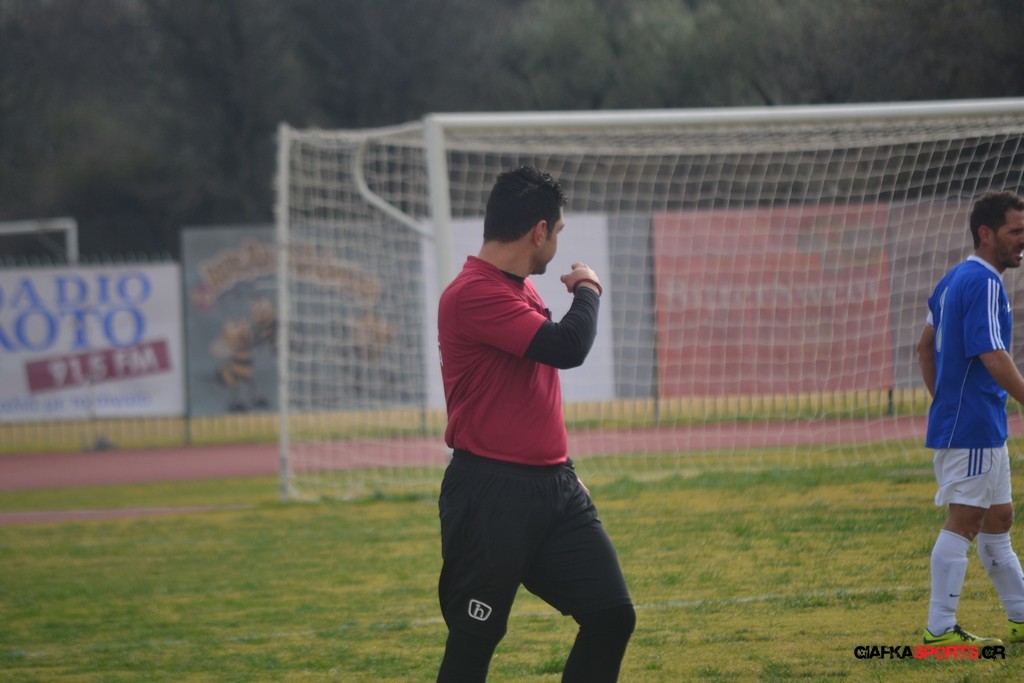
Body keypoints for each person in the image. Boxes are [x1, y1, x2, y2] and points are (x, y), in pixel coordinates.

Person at [435, 165, 635, 681]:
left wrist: (559, 468)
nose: (557, 241)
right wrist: (588, 288)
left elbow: (528, 393)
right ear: (539, 231)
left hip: (555, 488)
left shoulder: (519, 288)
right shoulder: (473, 293)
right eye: (558, 230)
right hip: (491, 496)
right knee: (474, 642)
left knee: (611, 616)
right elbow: (567, 347)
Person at [917, 189, 1024, 647]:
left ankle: (1020, 617)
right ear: (986, 233)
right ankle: (940, 630)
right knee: (964, 522)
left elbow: (924, 346)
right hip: (974, 425)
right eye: (1015, 231)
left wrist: (945, 401)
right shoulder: (983, 281)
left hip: (978, 423)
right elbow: (992, 354)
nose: (1022, 240)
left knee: (999, 519)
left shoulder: (952, 279)